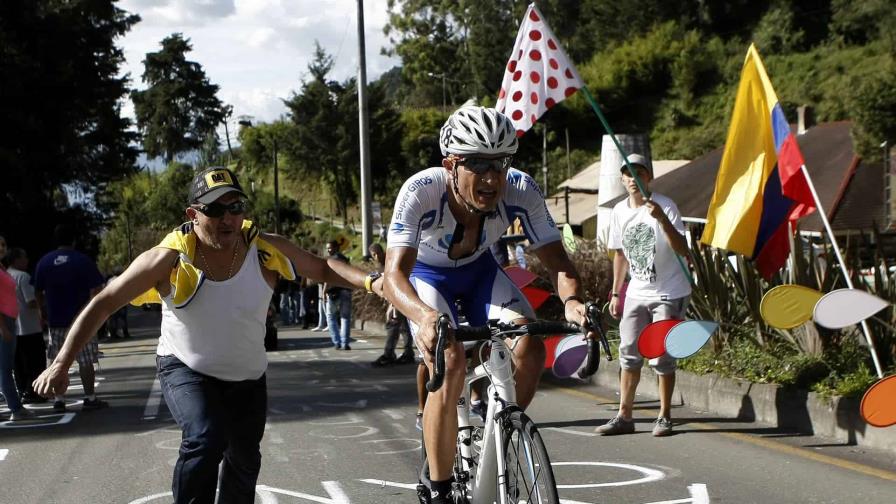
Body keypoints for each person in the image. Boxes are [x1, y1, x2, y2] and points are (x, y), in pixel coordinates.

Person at [33, 167, 383, 504]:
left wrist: (371, 281)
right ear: (194, 213)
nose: (228, 218)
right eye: (215, 209)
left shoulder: (263, 249)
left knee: (244, 463)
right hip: (184, 367)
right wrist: (61, 363)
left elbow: (321, 267)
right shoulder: (169, 259)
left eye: (235, 207)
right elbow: (105, 301)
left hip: (247, 376)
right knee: (205, 436)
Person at [382, 105, 595, 504]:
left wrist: (572, 302)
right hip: (428, 277)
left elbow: (557, 261)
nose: (491, 177)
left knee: (530, 343)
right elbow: (395, 274)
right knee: (450, 361)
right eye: (477, 164)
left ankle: (501, 429)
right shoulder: (421, 190)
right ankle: (440, 487)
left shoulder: (521, 189)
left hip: (482, 272)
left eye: (500, 163)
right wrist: (425, 317)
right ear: (450, 164)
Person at [596, 153, 691, 437]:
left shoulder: (665, 206)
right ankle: (624, 415)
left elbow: (682, 248)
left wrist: (661, 219)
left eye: (639, 172)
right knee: (628, 352)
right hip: (636, 291)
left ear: (648, 177)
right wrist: (615, 293)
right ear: (622, 180)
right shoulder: (619, 211)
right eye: (627, 173)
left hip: (669, 290)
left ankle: (664, 416)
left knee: (660, 353)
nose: (633, 178)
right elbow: (620, 255)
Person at [33, 224, 108, 412]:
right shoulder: (82, 260)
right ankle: (89, 397)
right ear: (74, 240)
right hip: (83, 321)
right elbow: (97, 290)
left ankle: (59, 399)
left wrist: (43, 312)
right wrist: (89, 311)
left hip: (56, 320)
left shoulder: (44, 262)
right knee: (86, 360)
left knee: (56, 358)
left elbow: (37, 290)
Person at [5, 247, 47, 403]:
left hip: (13, 327)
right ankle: (35, 392)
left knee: (19, 364)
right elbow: (31, 302)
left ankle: (23, 390)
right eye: (24, 257)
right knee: (35, 362)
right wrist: (43, 303)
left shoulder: (5, 275)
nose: (27, 260)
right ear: (16, 260)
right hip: (29, 326)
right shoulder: (23, 276)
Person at [1, 236, 36, 421]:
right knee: (5, 369)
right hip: (4, 322)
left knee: (5, 368)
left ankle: (15, 407)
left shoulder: (3, 269)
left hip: (10, 320)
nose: (1, 247)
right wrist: (3, 328)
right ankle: (16, 409)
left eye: (3, 244)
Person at [369, 243, 414, 367]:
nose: (377, 256)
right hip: (400, 297)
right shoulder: (382, 265)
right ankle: (408, 353)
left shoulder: (390, 262)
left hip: (399, 297)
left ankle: (389, 354)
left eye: (378, 253)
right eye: (374, 255)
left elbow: (395, 283)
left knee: (393, 324)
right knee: (404, 326)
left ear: (382, 252)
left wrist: (393, 305)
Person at [325, 240, 353, 350]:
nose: (328, 250)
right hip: (346, 290)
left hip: (334, 292)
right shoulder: (345, 259)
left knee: (331, 316)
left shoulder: (330, 260)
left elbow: (327, 277)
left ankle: (336, 342)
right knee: (345, 317)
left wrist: (324, 290)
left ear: (336, 248)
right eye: (327, 248)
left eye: (330, 248)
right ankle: (345, 343)